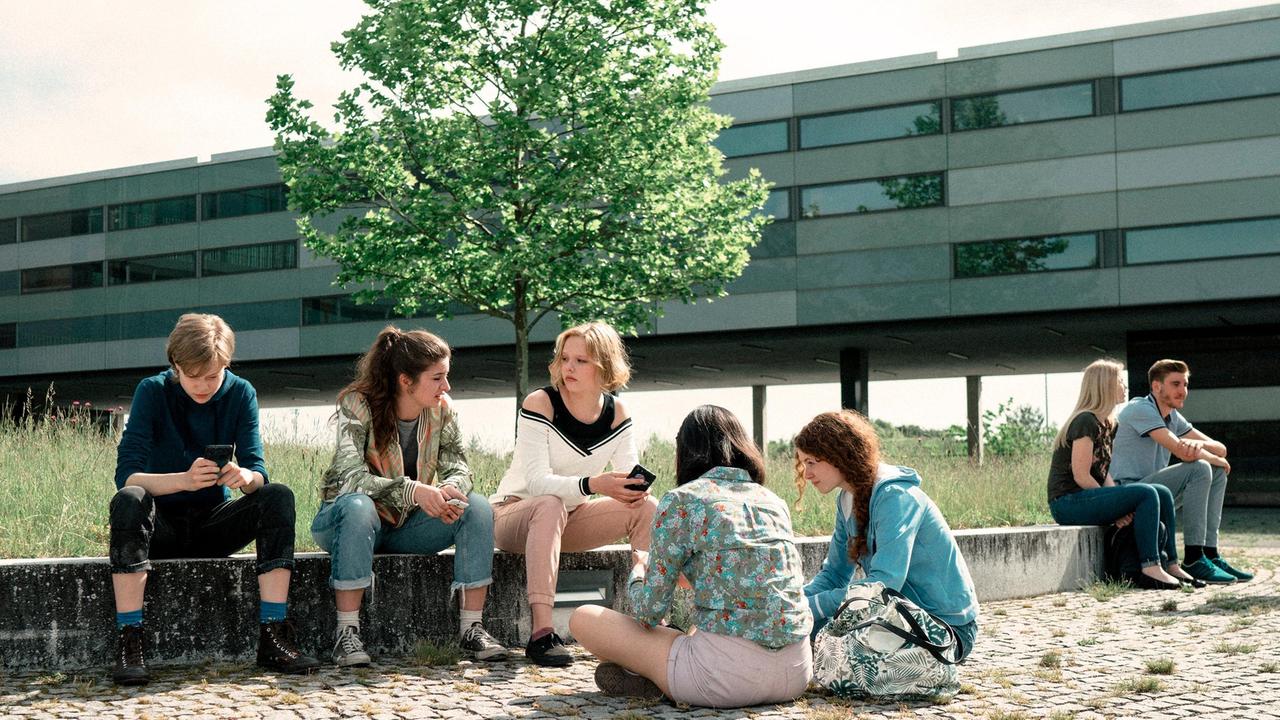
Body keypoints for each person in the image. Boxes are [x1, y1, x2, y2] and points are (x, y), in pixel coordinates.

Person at [108, 313, 318, 685]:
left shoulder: (241, 392)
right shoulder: (152, 391)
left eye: (213, 375)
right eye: (194, 376)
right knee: (129, 498)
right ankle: (130, 639)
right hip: (162, 527)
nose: (204, 385)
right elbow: (127, 475)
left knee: (278, 495)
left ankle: (273, 633)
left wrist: (246, 477)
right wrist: (185, 480)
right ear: (175, 366)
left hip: (214, 524)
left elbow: (258, 470)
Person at [570, 405, 813, 708]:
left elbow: (648, 613)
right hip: (795, 673)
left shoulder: (682, 500)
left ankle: (654, 676)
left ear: (685, 450)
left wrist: (640, 571)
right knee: (698, 626)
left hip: (723, 680)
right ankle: (653, 676)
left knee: (583, 618)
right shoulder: (773, 501)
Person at [310, 326, 506, 667]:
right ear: (406, 380)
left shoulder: (443, 409)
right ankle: (346, 634)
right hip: (346, 522)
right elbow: (349, 478)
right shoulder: (357, 403)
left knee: (475, 507)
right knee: (358, 506)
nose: (447, 387)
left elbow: (460, 467)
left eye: (446, 377)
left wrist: (449, 491)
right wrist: (414, 490)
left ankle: (472, 628)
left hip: (404, 528)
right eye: (437, 378)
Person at [490, 321, 657, 666]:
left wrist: (632, 488)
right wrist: (593, 484)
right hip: (514, 515)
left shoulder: (618, 413)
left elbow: (627, 475)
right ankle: (542, 634)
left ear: (604, 365)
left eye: (581, 361)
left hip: (569, 519)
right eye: (565, 358)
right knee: (549, 504)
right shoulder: (541, 402)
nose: (568, 367)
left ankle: (649, 620)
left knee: (647, 506)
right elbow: (537, 482)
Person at [797, 410, 980, 662]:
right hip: (893, 618)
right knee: (798, 630)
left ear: (838, 455)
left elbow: (884, 584)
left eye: (811, 462)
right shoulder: (846, 499)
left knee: (828, 644)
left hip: (942, 630)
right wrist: (794, 602)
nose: (806, 474)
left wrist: (813, 607)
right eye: (803, 463)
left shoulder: (896, 496)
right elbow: (834, 575)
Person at [1047, 360, 1197, 589]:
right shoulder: (1085, 421)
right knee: (1146, 493)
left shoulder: (1108, 424)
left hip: (1087, 498)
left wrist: (1115, 501)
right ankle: (1150, 567)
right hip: (1067, 502)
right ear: (1104, 385)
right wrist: (1112, 507)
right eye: (1118, 380)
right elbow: (1081, 475)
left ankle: (1171, 564)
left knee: (1162, 492)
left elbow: (1103, 472)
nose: (1124, 386)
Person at [1110, 359, 1251, 584]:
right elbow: (1183, 453)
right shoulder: (1140, 409)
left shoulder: (1172, 417)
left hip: (1155, 493)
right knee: (1200, 467)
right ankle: (1194, 558)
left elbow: (1220, 448)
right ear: (1157, 387)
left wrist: (1202, 449)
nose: (1183, 391)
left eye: (1185, 384)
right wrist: (1200, 451)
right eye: (1175, 384)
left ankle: (1209, 553)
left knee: (1216, 470)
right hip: (1130, 495)